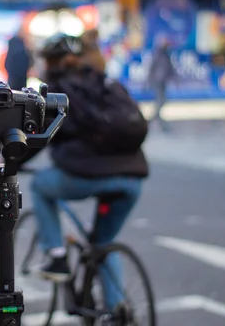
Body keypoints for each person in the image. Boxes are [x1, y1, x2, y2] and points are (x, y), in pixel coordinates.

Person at [30, 33, 149, 307]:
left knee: (41, 185)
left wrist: (9, 160)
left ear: (50, 61)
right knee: (104, 242)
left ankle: (57, 256)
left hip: (86, 177)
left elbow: (40, 136)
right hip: (131, 178)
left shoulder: (56, 90)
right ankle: (116, 312)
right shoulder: (106, 82)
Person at [147, 37, 176, 131]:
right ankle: (157, 121)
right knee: (160, 101)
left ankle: (155, 119)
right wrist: (148, 81)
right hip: (158, 82)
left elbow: (169, 68)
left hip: (162, 81)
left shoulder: (165, 55)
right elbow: (152, 68)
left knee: (162, 101)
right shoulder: (158, 55)